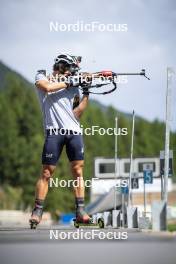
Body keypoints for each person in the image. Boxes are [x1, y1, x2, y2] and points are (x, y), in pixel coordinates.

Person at [29, 53, 91, 226]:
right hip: (54, 131)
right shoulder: (43, 75)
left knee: (78, 171)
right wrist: (70, 81)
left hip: (74, 131)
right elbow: (46, 87)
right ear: (61, 66)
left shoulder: (73, 86)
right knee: (47, 172)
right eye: (70, 69)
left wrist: (85, 91)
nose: (72, 72)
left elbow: (77, 113)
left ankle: (80, 210)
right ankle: (37, 210)